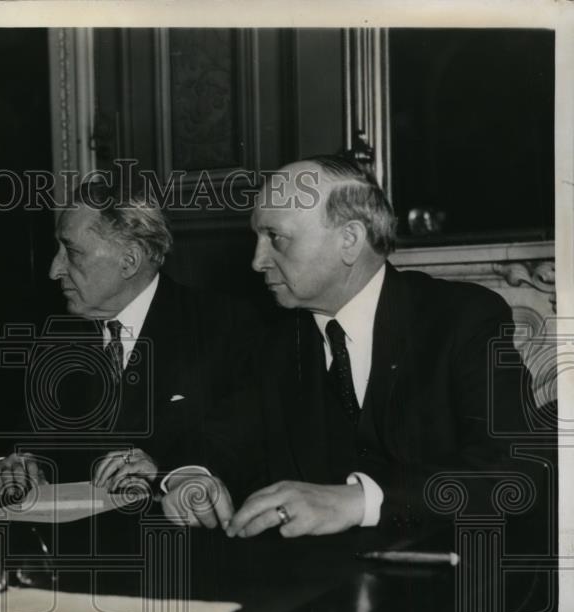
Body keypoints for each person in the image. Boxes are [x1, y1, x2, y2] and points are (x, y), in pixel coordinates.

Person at [163, 155, 539, 536]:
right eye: (257, 238)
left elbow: (515, 468)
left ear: (349, 240)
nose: (257, 261)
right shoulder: (276, 341)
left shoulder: (460, 318)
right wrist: (191, 476)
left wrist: (360, 501)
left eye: (276, 237)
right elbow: (219, 436)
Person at [0, 180, 257, 498]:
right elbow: (29, 443)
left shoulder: (224, 327)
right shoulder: (56, 336)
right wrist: (19, 465)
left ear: (129, 261)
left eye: (71, 252)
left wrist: (166, 472)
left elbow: (244, 448)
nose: (54, 269)